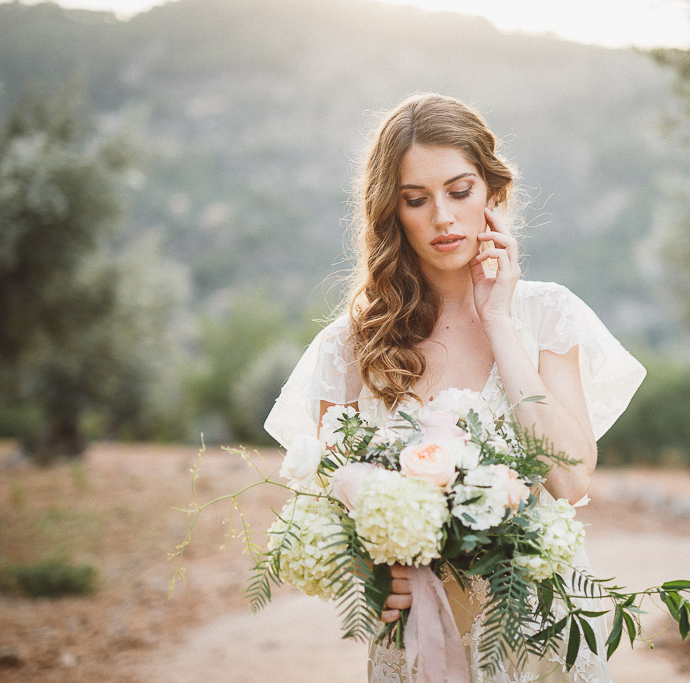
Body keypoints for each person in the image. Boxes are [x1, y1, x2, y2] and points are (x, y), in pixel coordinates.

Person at [264, 93, 645, 683]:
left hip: (539, 627)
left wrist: (499, 320)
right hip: (418, 635)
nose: (442, 218)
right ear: (393, 212)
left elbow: (568, 479)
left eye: (459, 191)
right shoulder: (355, 343)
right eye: (416, 200)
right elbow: (324, 504)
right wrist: (373, 573)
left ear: (492, 193)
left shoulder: (546, 315)